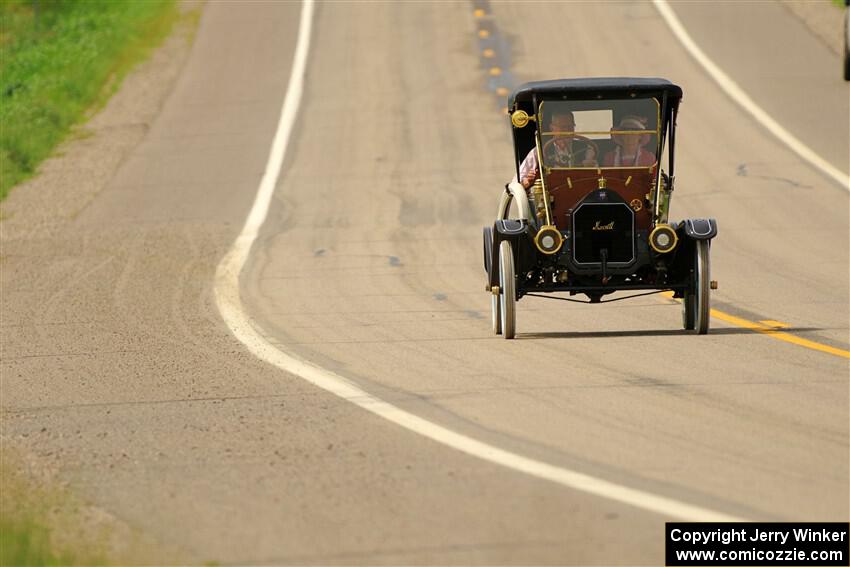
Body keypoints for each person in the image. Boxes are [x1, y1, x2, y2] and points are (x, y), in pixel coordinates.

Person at [516, 111, 597, 190]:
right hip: (550, 194)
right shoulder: (538, 151)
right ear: (552, 128)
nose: (567, 130)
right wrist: (528, 181)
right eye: (562, 127)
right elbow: (518, 181)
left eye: (570, 126)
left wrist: (587, 167)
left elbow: (596, 174)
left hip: (580, 189)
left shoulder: (586, 148)